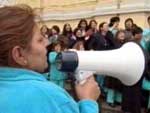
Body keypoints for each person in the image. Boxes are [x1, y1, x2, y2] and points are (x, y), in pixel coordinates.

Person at [0, 4, 100, 113]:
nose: (47, 42)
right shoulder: (50, 97)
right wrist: (89, 102)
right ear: (19, 54)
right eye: (39, 40)